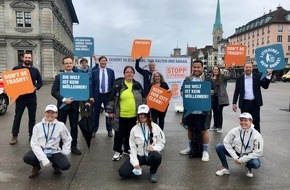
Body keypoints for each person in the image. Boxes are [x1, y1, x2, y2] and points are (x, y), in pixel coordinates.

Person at [106, 66, 146, 161]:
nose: (129, 74)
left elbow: (144, 99)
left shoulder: (137, 85)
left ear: (133, 74)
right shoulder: (118, 86)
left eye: (131, 72)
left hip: (134, 116)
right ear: (124, 74)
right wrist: (110, 111)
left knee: (130, 134)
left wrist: (143, 112)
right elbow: (111, 99)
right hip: (120, 116)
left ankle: (127, 149)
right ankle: (117, 151)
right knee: (119, 134)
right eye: (127, 72)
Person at [118, 104, 165, 183]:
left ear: (148, 114)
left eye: (144, 114)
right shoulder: (134, 129)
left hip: (150, 155)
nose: (142, 116)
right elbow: (132, 148)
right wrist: (135, 163)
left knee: (156, 156)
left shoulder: (156, 127)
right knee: (123, 173)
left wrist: (155, 148)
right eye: (140, 114)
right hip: (139, 156)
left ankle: (152, 172)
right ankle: (137, 169)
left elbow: (162, 142)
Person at [23, 104, 72, 178]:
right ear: (45, 113)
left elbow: (68, 139)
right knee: (27, 158)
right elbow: (34, 144)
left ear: (56, 114)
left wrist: (64, 152)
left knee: (66, 165)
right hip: (41, 150)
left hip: (54, 151)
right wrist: (44, 160)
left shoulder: (61, 125)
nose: (50, 114)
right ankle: (36, 167)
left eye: (53, 113)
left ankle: (56, 165)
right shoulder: (37, 126)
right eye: (48, 112)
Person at [179, 60, 214, 162]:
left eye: (198, 67)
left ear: (202, 68)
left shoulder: (207, 79)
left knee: (204, 130)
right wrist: (182, 92)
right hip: (190, 110)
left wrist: (212, 92)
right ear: (192, 68)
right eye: (194, 67)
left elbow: (215, 90)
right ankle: (190, 148)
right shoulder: (187, 79)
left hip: (203, 111)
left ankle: (205, 151)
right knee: (190, 129)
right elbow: (182, 90)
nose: (196, 69)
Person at [215, 112, 263, 178]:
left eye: (246, 120)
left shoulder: (256, 135)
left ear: (251, 121)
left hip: (248, 154)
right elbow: (226, 142)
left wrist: (242, 160)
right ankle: (225, 168)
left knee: (256, 164)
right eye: (241, 120)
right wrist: (235, 157)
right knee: (219, 147)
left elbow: (258, 152)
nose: (243, 122)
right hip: (237, 152)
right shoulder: (235, 130)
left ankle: (248, 167)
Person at [10, 52, 43, 145]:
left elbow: (40, 83)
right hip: (20, 98)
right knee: (17, 117)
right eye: (26, 57)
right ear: (22, 58)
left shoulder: (35, 70)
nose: (27, 59)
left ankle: (31, 135)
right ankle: (14, 135)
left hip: (32, 98)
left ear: (31, 59)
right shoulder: (16, 69)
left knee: (32, 117)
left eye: (29, 58)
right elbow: (11, 81)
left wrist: (35, 87)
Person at [51, 56, 81, 155]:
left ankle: (74, 146)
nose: (68, 65)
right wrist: (64, 100)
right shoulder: (59, 77)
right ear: (63, 65)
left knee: (74, 127)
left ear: (73, 64)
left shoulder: (78, 76)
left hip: (74, 107)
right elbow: (54, 92)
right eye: (66, 63)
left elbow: (82, 90)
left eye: (70, 63)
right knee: (60, 127)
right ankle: (59, 146)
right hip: (63, 106)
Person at [232, 62, 272, 133]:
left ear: (252, 68)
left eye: (250, 67)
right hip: (244, 103)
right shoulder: (239, 78)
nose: (248, 69)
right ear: (244, 68)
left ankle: (256, 140)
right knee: (244, 122)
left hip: (255, 103)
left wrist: (268, 76)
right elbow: (236, 91)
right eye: (247, 67)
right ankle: (245, 138)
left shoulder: (257, 76)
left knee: (256, 122)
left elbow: (265, 86)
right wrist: (234, 103)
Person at [90, 55, 115, 137]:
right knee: (95, 114)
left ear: (106, 62)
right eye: (102, 61)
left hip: (107, 95)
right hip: (97, 95)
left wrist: (113, 96)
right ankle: (94, 130)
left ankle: (109, 130)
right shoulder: (94, 72)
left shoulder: (111, 71)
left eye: (105, 61)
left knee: (109, 113)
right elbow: (92, 85)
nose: (103, 62)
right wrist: (91, 96)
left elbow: (113, 84)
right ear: (99, 62)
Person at [210, 65, 236, 133]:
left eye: (216, 69)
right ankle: (215, 125)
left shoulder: (222, 77)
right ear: (212, 70)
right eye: (214, 69)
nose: (215, 71)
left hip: (220, 97)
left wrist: (232, 68)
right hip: (213, 98)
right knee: (214, 112)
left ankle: (219, 126)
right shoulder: (210, 78)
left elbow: (232, 76)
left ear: (219, 71)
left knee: (219, 112)